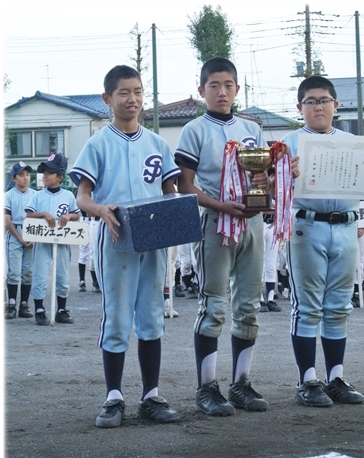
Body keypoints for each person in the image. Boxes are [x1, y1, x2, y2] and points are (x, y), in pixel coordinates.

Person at [69, 65, 182, 428]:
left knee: (151, 316)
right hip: (116, 235)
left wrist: (178, 215)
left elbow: (170, 193)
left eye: (137, 92)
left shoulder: (157, 144)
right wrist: (101, 209)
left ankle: (151, 395)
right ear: (108, 99)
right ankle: (113, 396)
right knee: (117, 316)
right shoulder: (98, 143)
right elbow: (81, 196)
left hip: (153, 239)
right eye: (123, 93)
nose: (132, 99)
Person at [281, 75, 364, 407]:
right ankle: (308, 380)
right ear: (300, 107)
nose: (318, 106)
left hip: (346, 225)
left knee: (339, 306)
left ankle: (336, 377)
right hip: (307, 225)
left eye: (323, 100)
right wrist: (283, 173)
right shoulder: (289, 142)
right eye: (310, 101)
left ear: (336, 104)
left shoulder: (354, 142)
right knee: (307, 307)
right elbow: (272, 187)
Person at [174, 57, 270, 416]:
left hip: (251, 223)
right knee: (214, 306)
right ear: (202, 91)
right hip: (214, 221)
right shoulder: (194, 130)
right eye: (214, 85)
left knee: (249, 305)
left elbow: (264, 178)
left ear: (237, 89)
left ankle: (241, 383)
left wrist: (264, 183)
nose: (222, 91)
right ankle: (207, 388)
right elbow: (185, 186)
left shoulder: (252, 129)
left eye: (228, 85)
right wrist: (221, 205)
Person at [25, 154, 81, 326]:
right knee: (40, 274)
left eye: (50, 172)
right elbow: (29, 214)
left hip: (62, 241)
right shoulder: (38, 196)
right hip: (42, 241)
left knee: (63, 275)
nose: (45, 176)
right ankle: (40, 309)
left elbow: (77, 215)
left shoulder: (68, 196)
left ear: (60, 177)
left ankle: (61, 310)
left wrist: (69, 216)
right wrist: (43, 214)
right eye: (44, 172)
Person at [4, 161, 36, 320]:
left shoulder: (34, 194)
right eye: (21, 175)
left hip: (31, 233)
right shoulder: (8, 195)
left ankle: (24, 304)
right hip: (15, 233)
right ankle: (11, 305)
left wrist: (33, 238)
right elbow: (7, 220)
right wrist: (20, 238)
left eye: (27, 175)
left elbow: (40, 217)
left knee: (28, 271)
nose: (25, 178)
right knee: (14, 272)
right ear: (14, 178)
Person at [260, 213, 282, 312]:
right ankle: (259, 298)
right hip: (259, 222)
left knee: (271, 264)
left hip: (273, 224)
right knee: (260, 263)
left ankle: (270, 299)